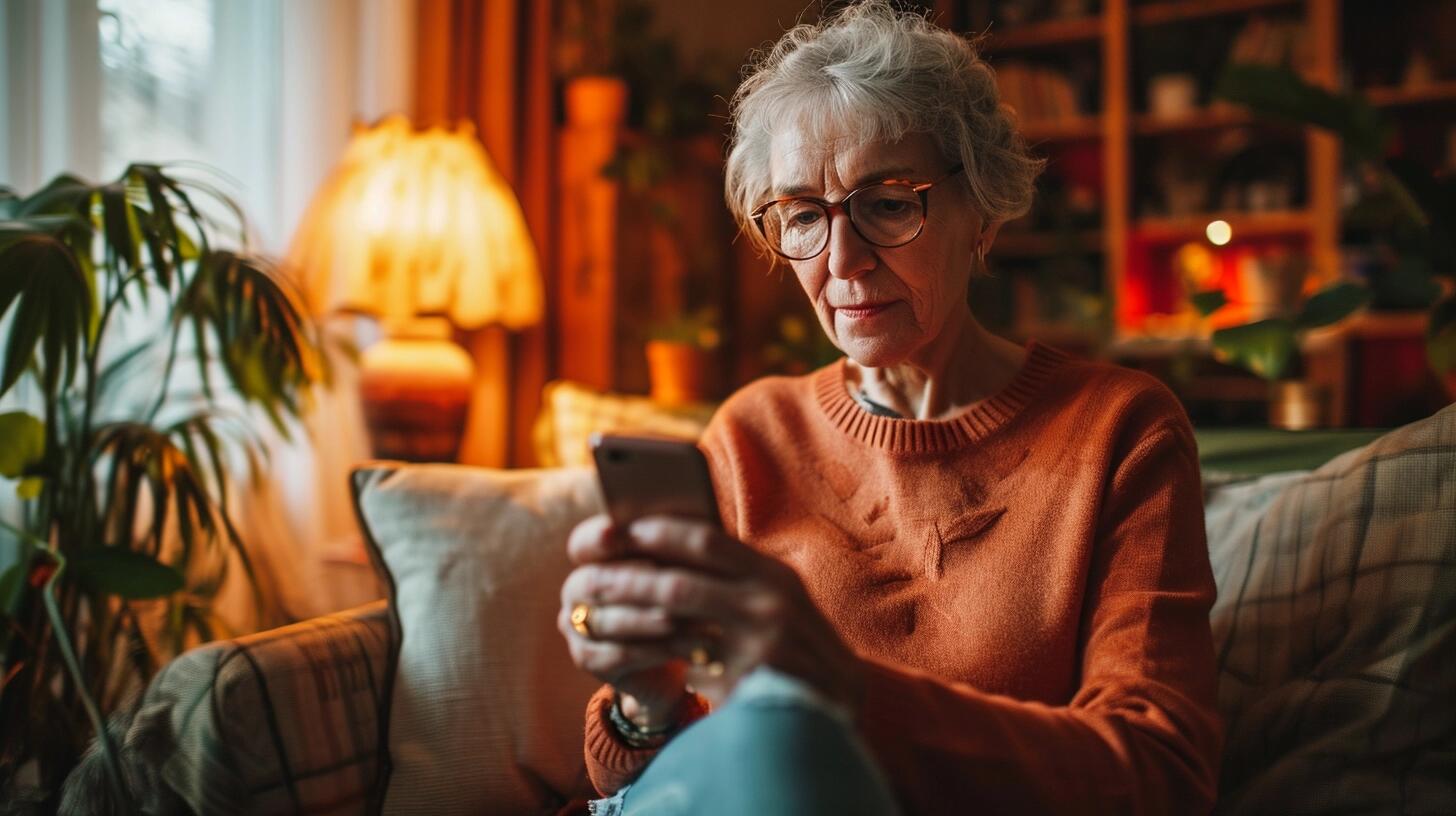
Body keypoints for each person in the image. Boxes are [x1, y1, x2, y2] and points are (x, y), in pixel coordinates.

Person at [557, 3, 1222, 813]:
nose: (841, 259)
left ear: (981, 207)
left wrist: (843, 690)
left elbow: (1162, 773)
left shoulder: (1119, 429)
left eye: (888, 203)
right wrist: (643, 705)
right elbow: (652, 773)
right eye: (802, 214)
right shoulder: (751, 435)